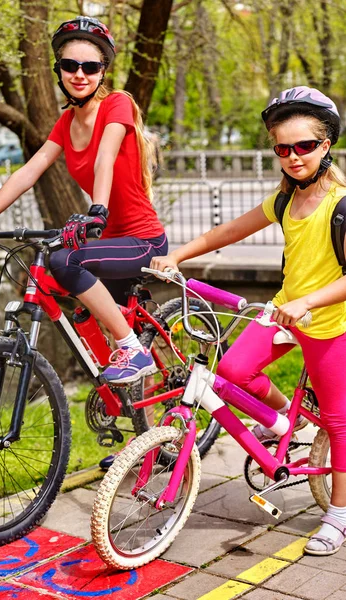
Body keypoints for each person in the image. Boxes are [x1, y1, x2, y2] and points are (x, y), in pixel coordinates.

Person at [151, 86, 346, 556]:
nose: (293, 156)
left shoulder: (340, 204)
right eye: (283, 148)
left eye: (304, 146)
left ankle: (338, 516)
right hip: (283, 310)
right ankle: (286, 421)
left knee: (340, 423)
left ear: (325, 145)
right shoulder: (283, 201)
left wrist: (308, 303)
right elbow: (228, 231)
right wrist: (176, 255)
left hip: (330, 321)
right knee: (233, 372)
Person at [0, 20, 167, 385]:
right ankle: (129, 378)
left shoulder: (118, 104)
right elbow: (28, 172)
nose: (79, 74)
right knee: (60, 281)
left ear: (103, 71)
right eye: (70, 65)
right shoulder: (65, 123)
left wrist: (96, 210)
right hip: (109, 242)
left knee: (65, 260)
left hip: (142, 242)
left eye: (90, 67)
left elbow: (104, 158)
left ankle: (132, 348)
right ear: (59, 71)